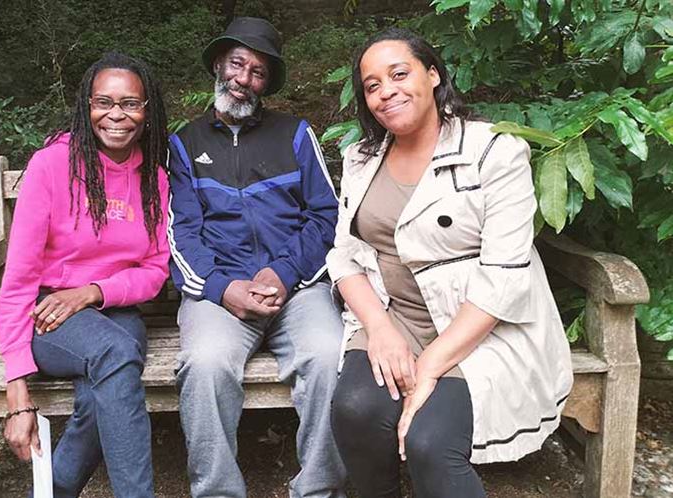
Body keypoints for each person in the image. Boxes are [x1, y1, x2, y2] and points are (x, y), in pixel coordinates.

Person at [326, 28, 574, 498]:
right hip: (395, 316)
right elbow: (345, 255)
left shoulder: (493, 152)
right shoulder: (361, 158)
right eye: (372, 85)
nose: (386, 92)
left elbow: (503, 278)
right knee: (356, 409)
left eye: (399, 74)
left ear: (433, 74)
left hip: (480, 327)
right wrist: (380, 330)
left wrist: (430, 367)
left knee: (430, 443)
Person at [167, 16, 347, 498]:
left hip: (298, 288)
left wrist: (283, 272)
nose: (244, 79)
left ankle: (319, 490)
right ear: (218, 66)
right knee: (204, 363)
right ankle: (218, 492)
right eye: (236, 64)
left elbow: (326, 216)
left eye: (258, 72)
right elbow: (180, 232)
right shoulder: (185, 144)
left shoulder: (295, 134)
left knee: (330, 356)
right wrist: (224, 288)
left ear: (267, 83)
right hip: (218, 292)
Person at [0, 52, 170, 498]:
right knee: (116, 352)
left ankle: (51, 490)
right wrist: (18, 393)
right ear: (86, 106)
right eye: (103, 102)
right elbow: (18, 279)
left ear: (147, 110)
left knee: (107, 376)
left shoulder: (153, 176)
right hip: (48, 315)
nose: (116, 115)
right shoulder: (51, 166)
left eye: (130, 103)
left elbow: (154, 270)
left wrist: (92, 292)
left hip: (114, 307)